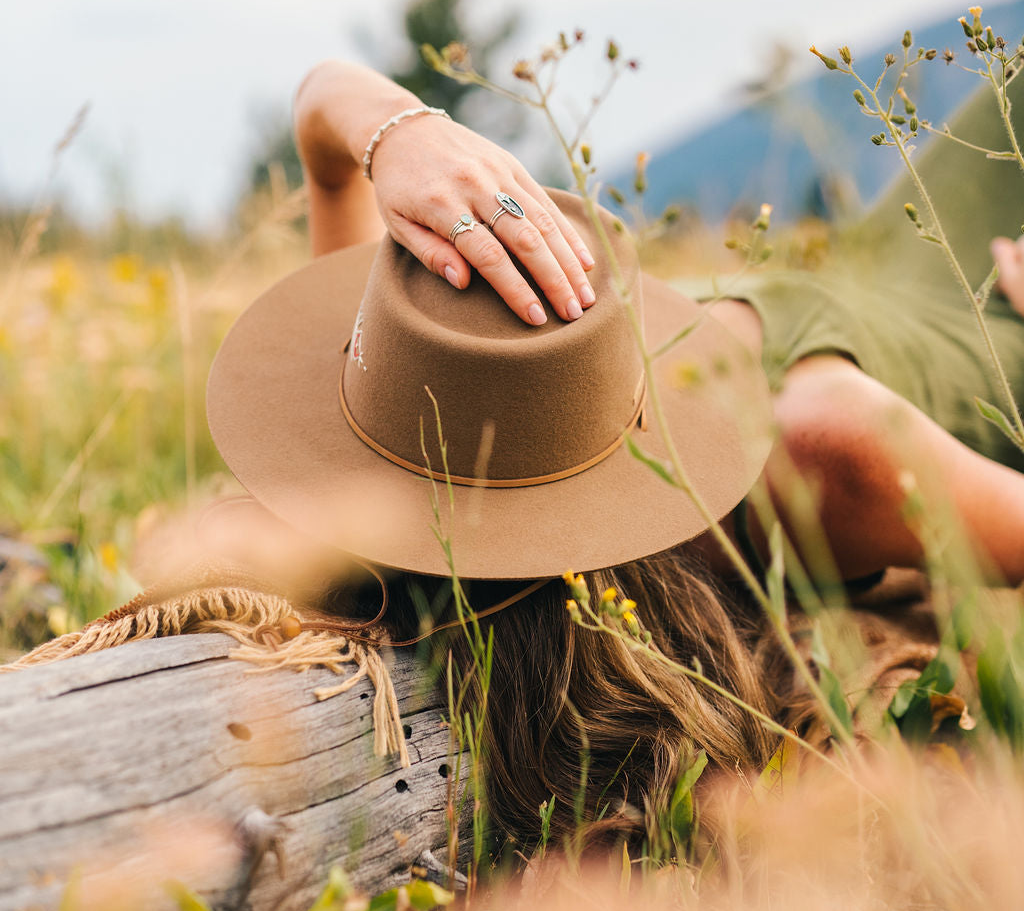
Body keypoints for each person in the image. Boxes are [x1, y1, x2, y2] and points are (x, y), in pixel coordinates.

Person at [205, 58, 1024, 850]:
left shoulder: (414, 385)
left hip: (887, 253)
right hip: (984, 314)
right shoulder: (820, 454)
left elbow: (321, 108)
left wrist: (406, 134)